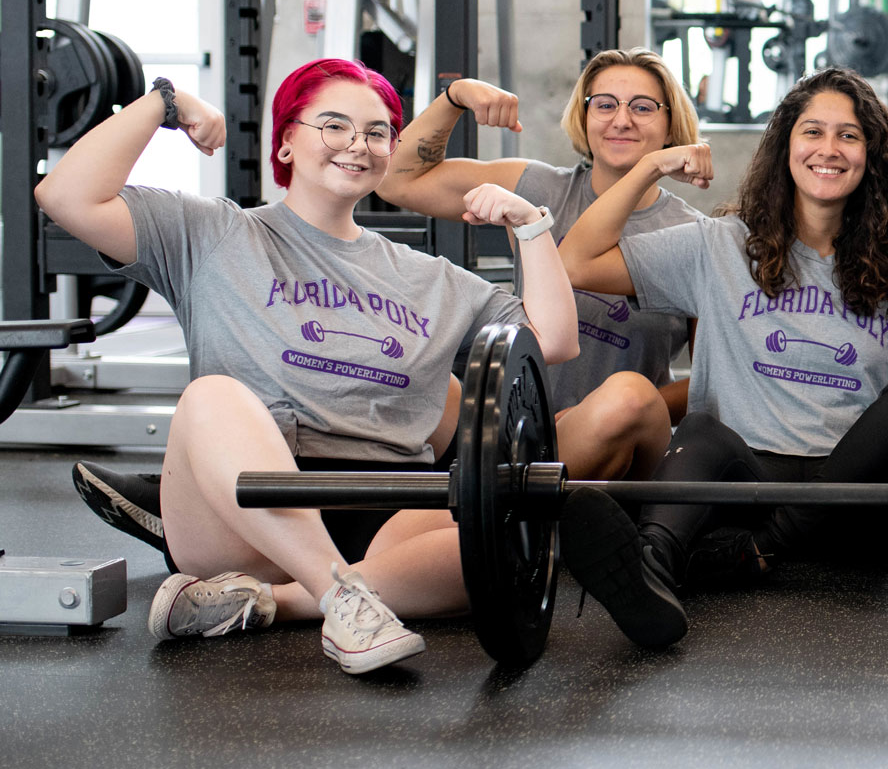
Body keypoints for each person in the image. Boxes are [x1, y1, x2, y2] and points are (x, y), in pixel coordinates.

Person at [33, 59, 610, 675]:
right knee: (211, 398)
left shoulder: (430, 279)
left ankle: (276, 604)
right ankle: (342, 600)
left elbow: (554, 339)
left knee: (503, 541)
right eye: (333, 126)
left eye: (377, 131)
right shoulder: (211, 233)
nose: (356, 145)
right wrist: (164, 104)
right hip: (249, 514)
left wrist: (531, 225)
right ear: (286, 138)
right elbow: (64, 196)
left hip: (385, 513)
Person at [553, 67, 888, 631]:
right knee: (700, 431)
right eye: (812, 132)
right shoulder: (719, 245)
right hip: (743, 489)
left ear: (870, 155)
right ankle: (649, 571)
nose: (829, 149)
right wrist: (650, 164)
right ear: (785, 147)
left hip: (859, 510)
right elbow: (575, 263)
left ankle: (758, 548)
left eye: (848, 136)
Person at [375, 48, 707, 479]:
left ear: (670, 125)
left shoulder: (694, 237)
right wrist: (455, 97)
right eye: (604, 104)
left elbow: (710, 381)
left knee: (625, 398)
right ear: (584, 118)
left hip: (625, 452)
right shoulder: (538, 189)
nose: (621, 119)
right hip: (517, 437)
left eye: (642, 107)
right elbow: (397, 182)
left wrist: (605, 414)